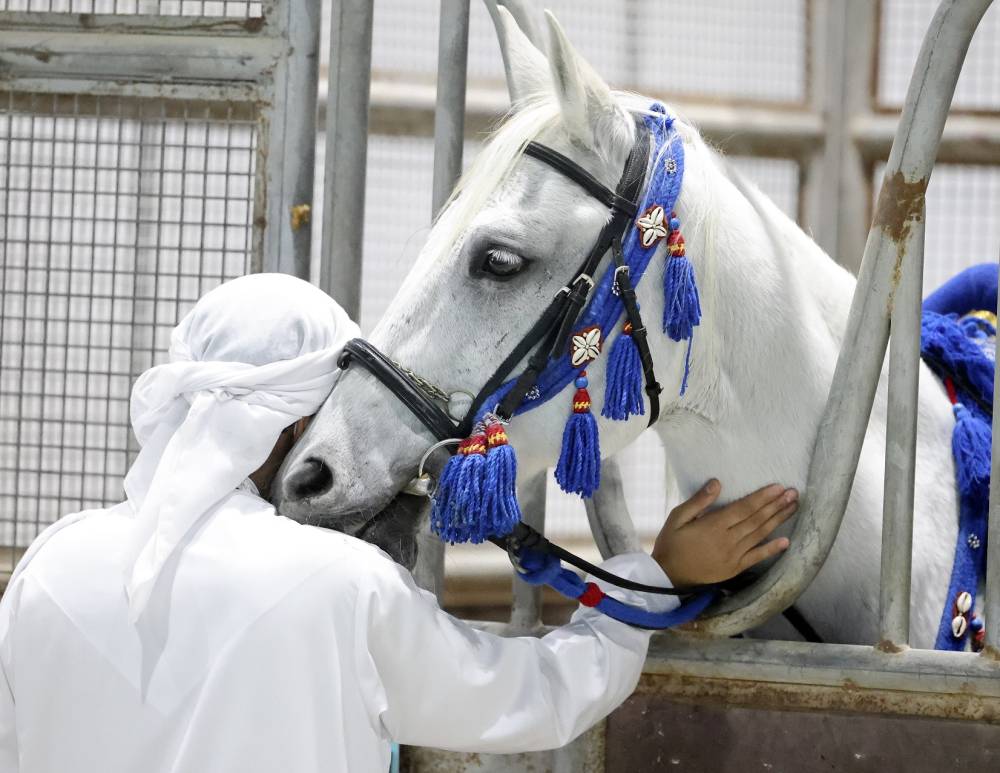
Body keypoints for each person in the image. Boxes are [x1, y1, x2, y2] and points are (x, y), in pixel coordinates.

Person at [0, 274, 797, 772]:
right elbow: (539, 694)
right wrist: (655, 576)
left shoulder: (52, 568)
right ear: (299, 421)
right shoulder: (335, 585)